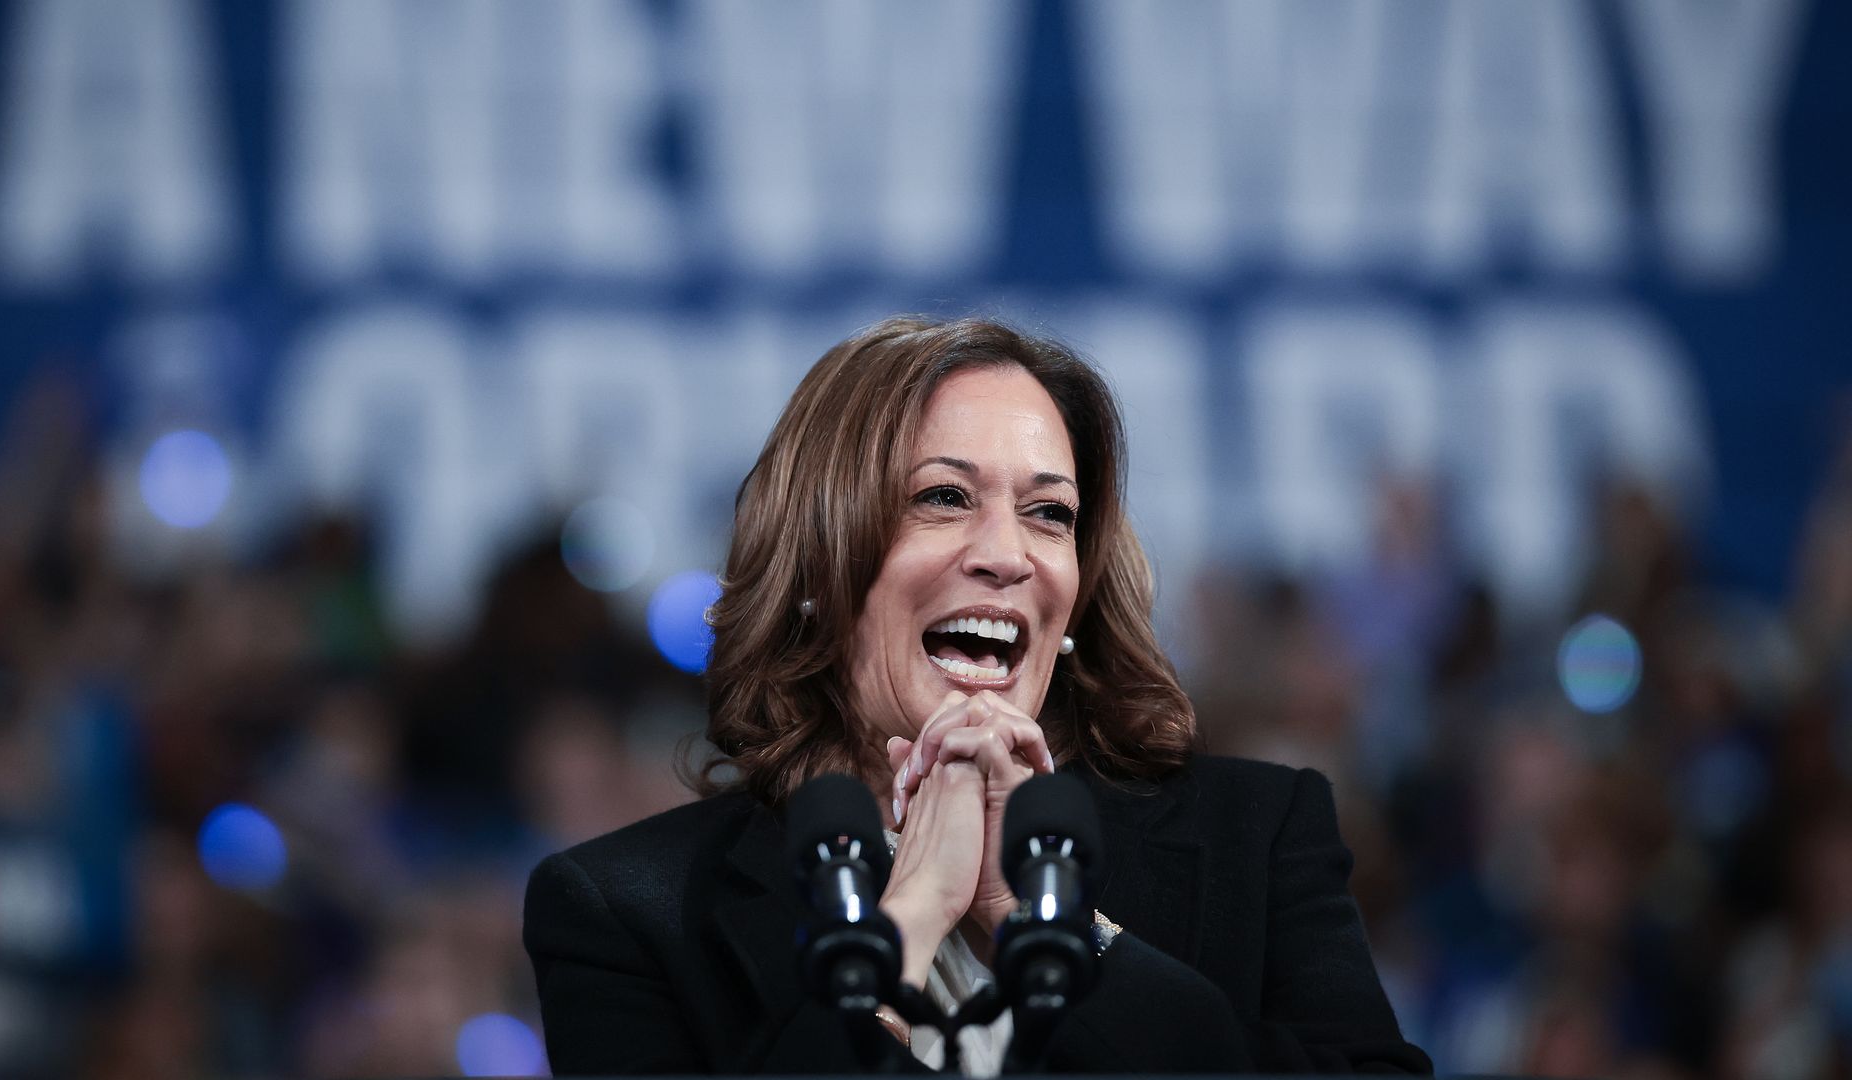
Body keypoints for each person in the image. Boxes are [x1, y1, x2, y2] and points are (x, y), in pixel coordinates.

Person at [524, 317, 1431, 1075]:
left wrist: (1055, 925)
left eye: (1049, 514)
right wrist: (906, 919)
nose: (1007, 554)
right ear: (817, 571)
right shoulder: (625, 913)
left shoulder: (1259, 834)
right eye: (945, 498)